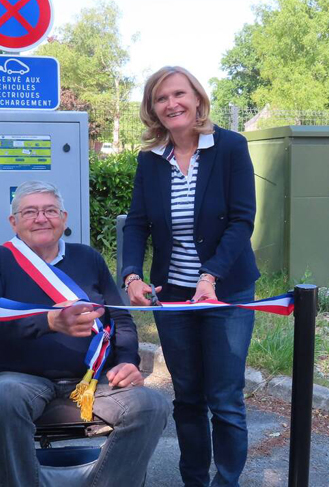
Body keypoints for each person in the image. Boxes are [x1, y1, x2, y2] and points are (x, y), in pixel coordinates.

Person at [0, 180, 170, 487]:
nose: (41, 218)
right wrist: (49, 322)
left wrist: (128, 361)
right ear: (13, 222)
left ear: (63, 218)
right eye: (30, 212)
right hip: (19, 379)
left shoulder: (88, 258)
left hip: (92, 381)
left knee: (152, 405)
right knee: (4, 398)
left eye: (50, 210)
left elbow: (120, 319)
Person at [121, 66, 261, 486]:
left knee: (225, 398)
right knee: (187, 396)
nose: (172, 104)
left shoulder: (230, 146)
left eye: (179, 94)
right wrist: (131, 276)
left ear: (197, 98)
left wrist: (210, 276)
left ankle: (227, 481)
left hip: (226, 291)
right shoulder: (150, 159)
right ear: (152, 108)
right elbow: (137, 223)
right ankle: (194, 480)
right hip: (173, 295)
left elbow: (242, 219)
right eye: (161, 98)